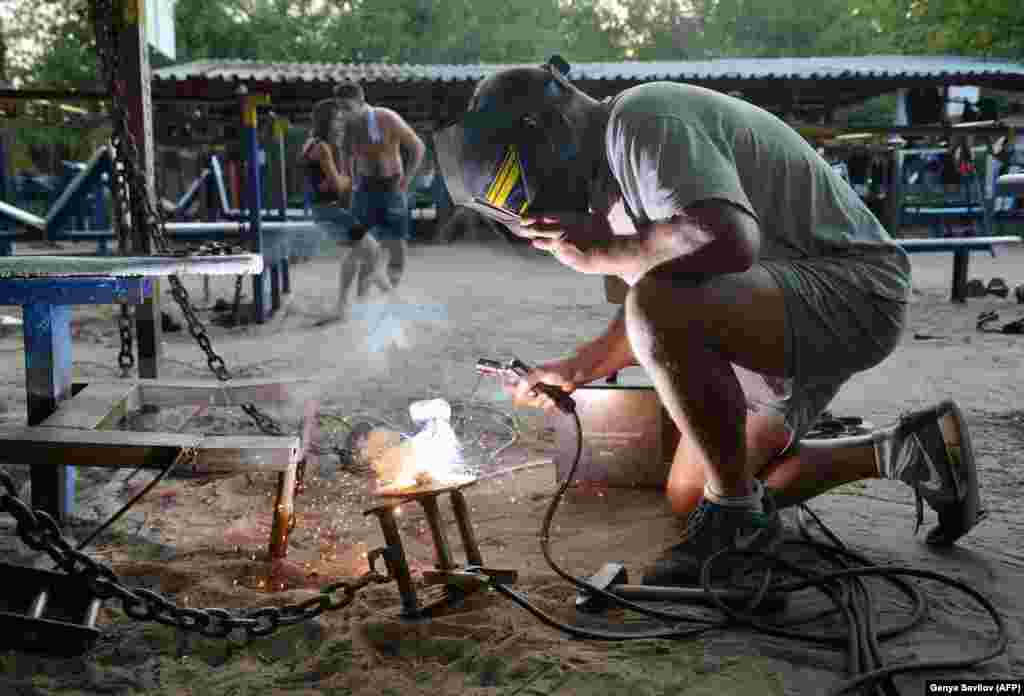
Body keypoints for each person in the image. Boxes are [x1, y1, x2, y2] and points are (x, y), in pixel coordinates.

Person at [434, 57, 983, 587]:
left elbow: (725, 241)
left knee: (723, 489)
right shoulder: (613, 190)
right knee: (691, 496)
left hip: (852, 291)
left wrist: (602, 253)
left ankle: (739, 523)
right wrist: (571, 370)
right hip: (775, 307)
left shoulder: (643, 122)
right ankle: (909, 449)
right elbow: (668, 310)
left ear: (550, 135)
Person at [302, 97, 393, 323]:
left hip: (326, 209)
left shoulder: (312, 143)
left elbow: (329, 183)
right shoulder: (322, 148)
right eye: (337, 120)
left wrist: (342, 181)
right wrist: (347, 180)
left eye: (342, 119)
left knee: (357, 252)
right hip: (330, 212)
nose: (341, 124)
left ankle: (345, 307)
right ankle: (370, 300)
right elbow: (337, 184)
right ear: (326, 121)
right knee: (371, 251)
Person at [334, 81, 427, 295]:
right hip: (364, 188)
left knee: (397, 244)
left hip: (392, 186)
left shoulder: (386, 117)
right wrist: (349, 182)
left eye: (347, 107)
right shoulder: (347, 126)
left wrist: (408, 179)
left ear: (360, 102)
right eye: (340, 108)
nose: (343, 113)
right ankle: (362, 300)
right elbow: (344, 155)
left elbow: (418, 147)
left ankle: (391, 292)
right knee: (361, 245)